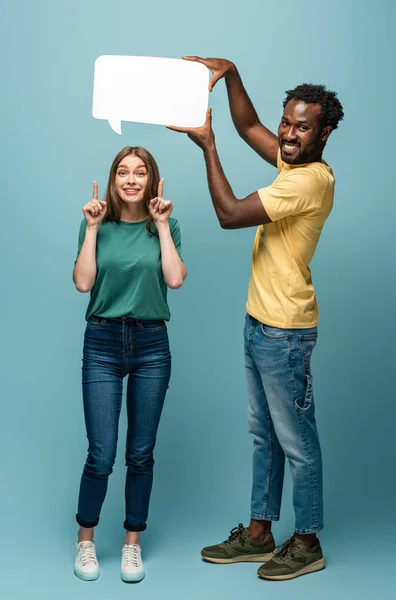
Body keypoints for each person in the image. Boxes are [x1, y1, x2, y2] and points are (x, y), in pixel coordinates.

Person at [168, 56, 344, 581]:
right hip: (259, 321)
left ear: (324, 132)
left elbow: (229, 213)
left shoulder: (307, 181)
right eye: (286, 122)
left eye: (301, 126)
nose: (288, 134)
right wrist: (233, 72)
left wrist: (208, 145)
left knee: (296, 440)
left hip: (285, 332)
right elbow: (249, 125)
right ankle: (259, 533)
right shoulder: (294, 161)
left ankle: (307, 540)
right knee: (263, 435)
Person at [72, 146, 187, 582]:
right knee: (101, 454)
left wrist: (160, 225)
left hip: (151, 345)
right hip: (102, 341)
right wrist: (91, 228)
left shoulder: (168, 225)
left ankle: (131, 544)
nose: (131, 179)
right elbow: (83, 282)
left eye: (140, 172)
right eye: (123, 172)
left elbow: (174, 278)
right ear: (113, 179)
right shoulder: (97, 226)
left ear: (152, 179)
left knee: (141, 453)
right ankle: (85, 540)